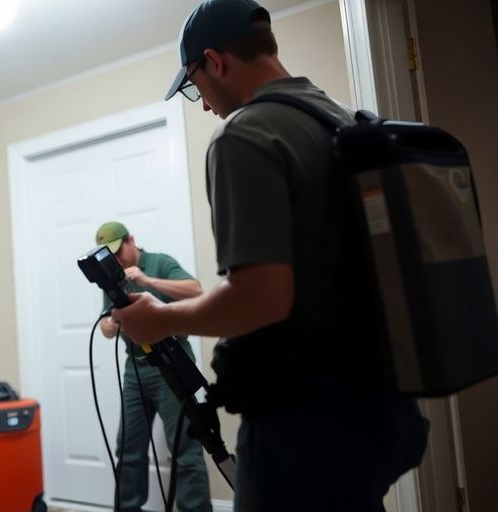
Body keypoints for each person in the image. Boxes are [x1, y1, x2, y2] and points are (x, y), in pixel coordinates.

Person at [111, 1, 430, 510]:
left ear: (215, 61)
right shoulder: (340, 117)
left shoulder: (245, 135)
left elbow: (261, 299)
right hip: (384, 407)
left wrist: (161, 320)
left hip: (305, 422)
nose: (201, 102)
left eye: (193, 82)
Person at [95, 222, 212, 512]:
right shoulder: (111, 277)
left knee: (185, 449)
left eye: (117, 251)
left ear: (131, 240)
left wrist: (148, 281)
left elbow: (196, 290)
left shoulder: (160, 263)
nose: (116, 260)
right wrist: (110, 324)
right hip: (135, 370)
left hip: (170, 366)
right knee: (129, 450)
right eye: (108, 256)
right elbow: (106, 327)